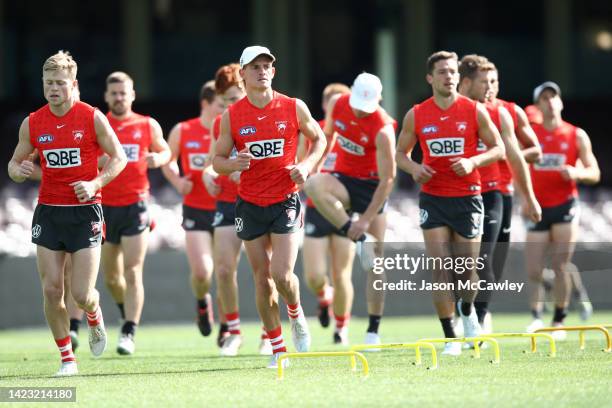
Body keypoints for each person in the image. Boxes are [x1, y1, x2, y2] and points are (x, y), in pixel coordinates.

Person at [7, 51, 127, 375]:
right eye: (48, 83)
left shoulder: (92, 117)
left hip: (85, 211)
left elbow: (119, 158)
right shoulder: (33, 122)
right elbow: (14, 164)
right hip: (49, 211)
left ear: (73, 85)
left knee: (82, 293)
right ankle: (67, 359)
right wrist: (19, 170)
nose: (54, 89)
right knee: (50, 289)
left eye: (60, 83)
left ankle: (94, 313)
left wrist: (96, 181)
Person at [213, 45, 325, 368]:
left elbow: (319, 139)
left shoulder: (292, 106)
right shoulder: (232, 116)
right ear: (243, 74)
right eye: (255, 66)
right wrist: (234, 162)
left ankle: (296, 311)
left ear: (273, 72)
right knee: (262, 278)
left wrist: (306, 166)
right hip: (249, 204)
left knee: (282, 275)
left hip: (285, 199)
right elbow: (217, 161)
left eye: (267, 66)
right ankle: (278, 349)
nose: (263, 71)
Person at [395, 51, 504, 356]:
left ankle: (468, 314)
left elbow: (498, 148)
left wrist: (473, 162)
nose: (449, 77)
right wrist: (415, 168)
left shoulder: (474, 110)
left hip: (468, 197)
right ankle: (450, 336)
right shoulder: (417, 114)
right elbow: (399, 153)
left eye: (453, 72)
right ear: (430, 78)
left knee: (466, 269)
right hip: (434, 197)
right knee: (440, 268)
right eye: (442, 72)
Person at [304, 74, 397, 347]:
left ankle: (373, 329)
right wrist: (318, 165)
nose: (358, 110)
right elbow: (329, 136)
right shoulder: (339, 104)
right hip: (344, 179)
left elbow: (388, 180)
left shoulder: (384, 129)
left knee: (376, 263)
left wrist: (365, 219)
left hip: (373, 188)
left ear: (379, 99)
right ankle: (356, 236)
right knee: (313, 185)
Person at [457, 55, 541, 332]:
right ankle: (469, 315)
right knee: (463, 261)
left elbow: (527, 154)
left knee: (489, 262)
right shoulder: (449, 109)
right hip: (458, 193)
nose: (491, 87)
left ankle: (478, 315)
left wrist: (528, 196)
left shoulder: (504, 111)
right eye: (485, 81)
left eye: (494, 81)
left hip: (497, 191)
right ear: (466, 82)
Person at [203, 63, 273, 356]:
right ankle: (232, 331)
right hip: (229, 202)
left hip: (261, 199)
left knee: (265, 272)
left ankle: (269, 333)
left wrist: (242, 171)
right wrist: (210, 173)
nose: (232, 104)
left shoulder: (267, 114)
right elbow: (214, 159)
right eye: (226, 100)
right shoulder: (223, 122)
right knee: (222, 269)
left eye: (236, 96)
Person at [99, 72, 171, 355]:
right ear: (107, 96)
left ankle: (129, 330)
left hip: (136, 204)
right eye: (114, 93)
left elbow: (165, 151)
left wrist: (159, 158)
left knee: (132, 270)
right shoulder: (98, 125)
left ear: (132, 95)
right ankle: (123, 309)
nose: (119, 97)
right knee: (111, 278)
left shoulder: (146, 124)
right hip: (104, 206)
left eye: (123, 92)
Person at [525, 82, 600, 337]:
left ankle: (559, 320)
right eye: (544, 98)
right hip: (538, 207)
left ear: (561, 102)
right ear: (537, 105)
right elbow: (517, 166)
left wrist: (576, 172)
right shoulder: (530, 135)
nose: (550, 101)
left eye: (553, 96)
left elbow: (594, 171)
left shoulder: (575, 134)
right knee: (534, 269)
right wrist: (524, 197)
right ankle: (546, 307)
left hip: (566, 205)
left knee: (560, 264)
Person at [162, 81, 224, 339]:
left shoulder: (230, 129)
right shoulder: (183, 130)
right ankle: (202, 303)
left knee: (224, 270)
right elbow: (167, 159)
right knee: (201, 272)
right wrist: (177, 181)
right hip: (196, 208)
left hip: (226, 208)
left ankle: (229, 326)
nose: (227, 109)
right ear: (205, 104)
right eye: (221, 104)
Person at [299, 83, 352, 343]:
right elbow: (299, 164)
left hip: (345, 209)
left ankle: (341, 328)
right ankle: (323, 297)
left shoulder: (356, 132)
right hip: (315, 208)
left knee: (342, 273)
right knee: (314, 276)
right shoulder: (313, 131)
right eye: (331, 102)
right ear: (324, 105)